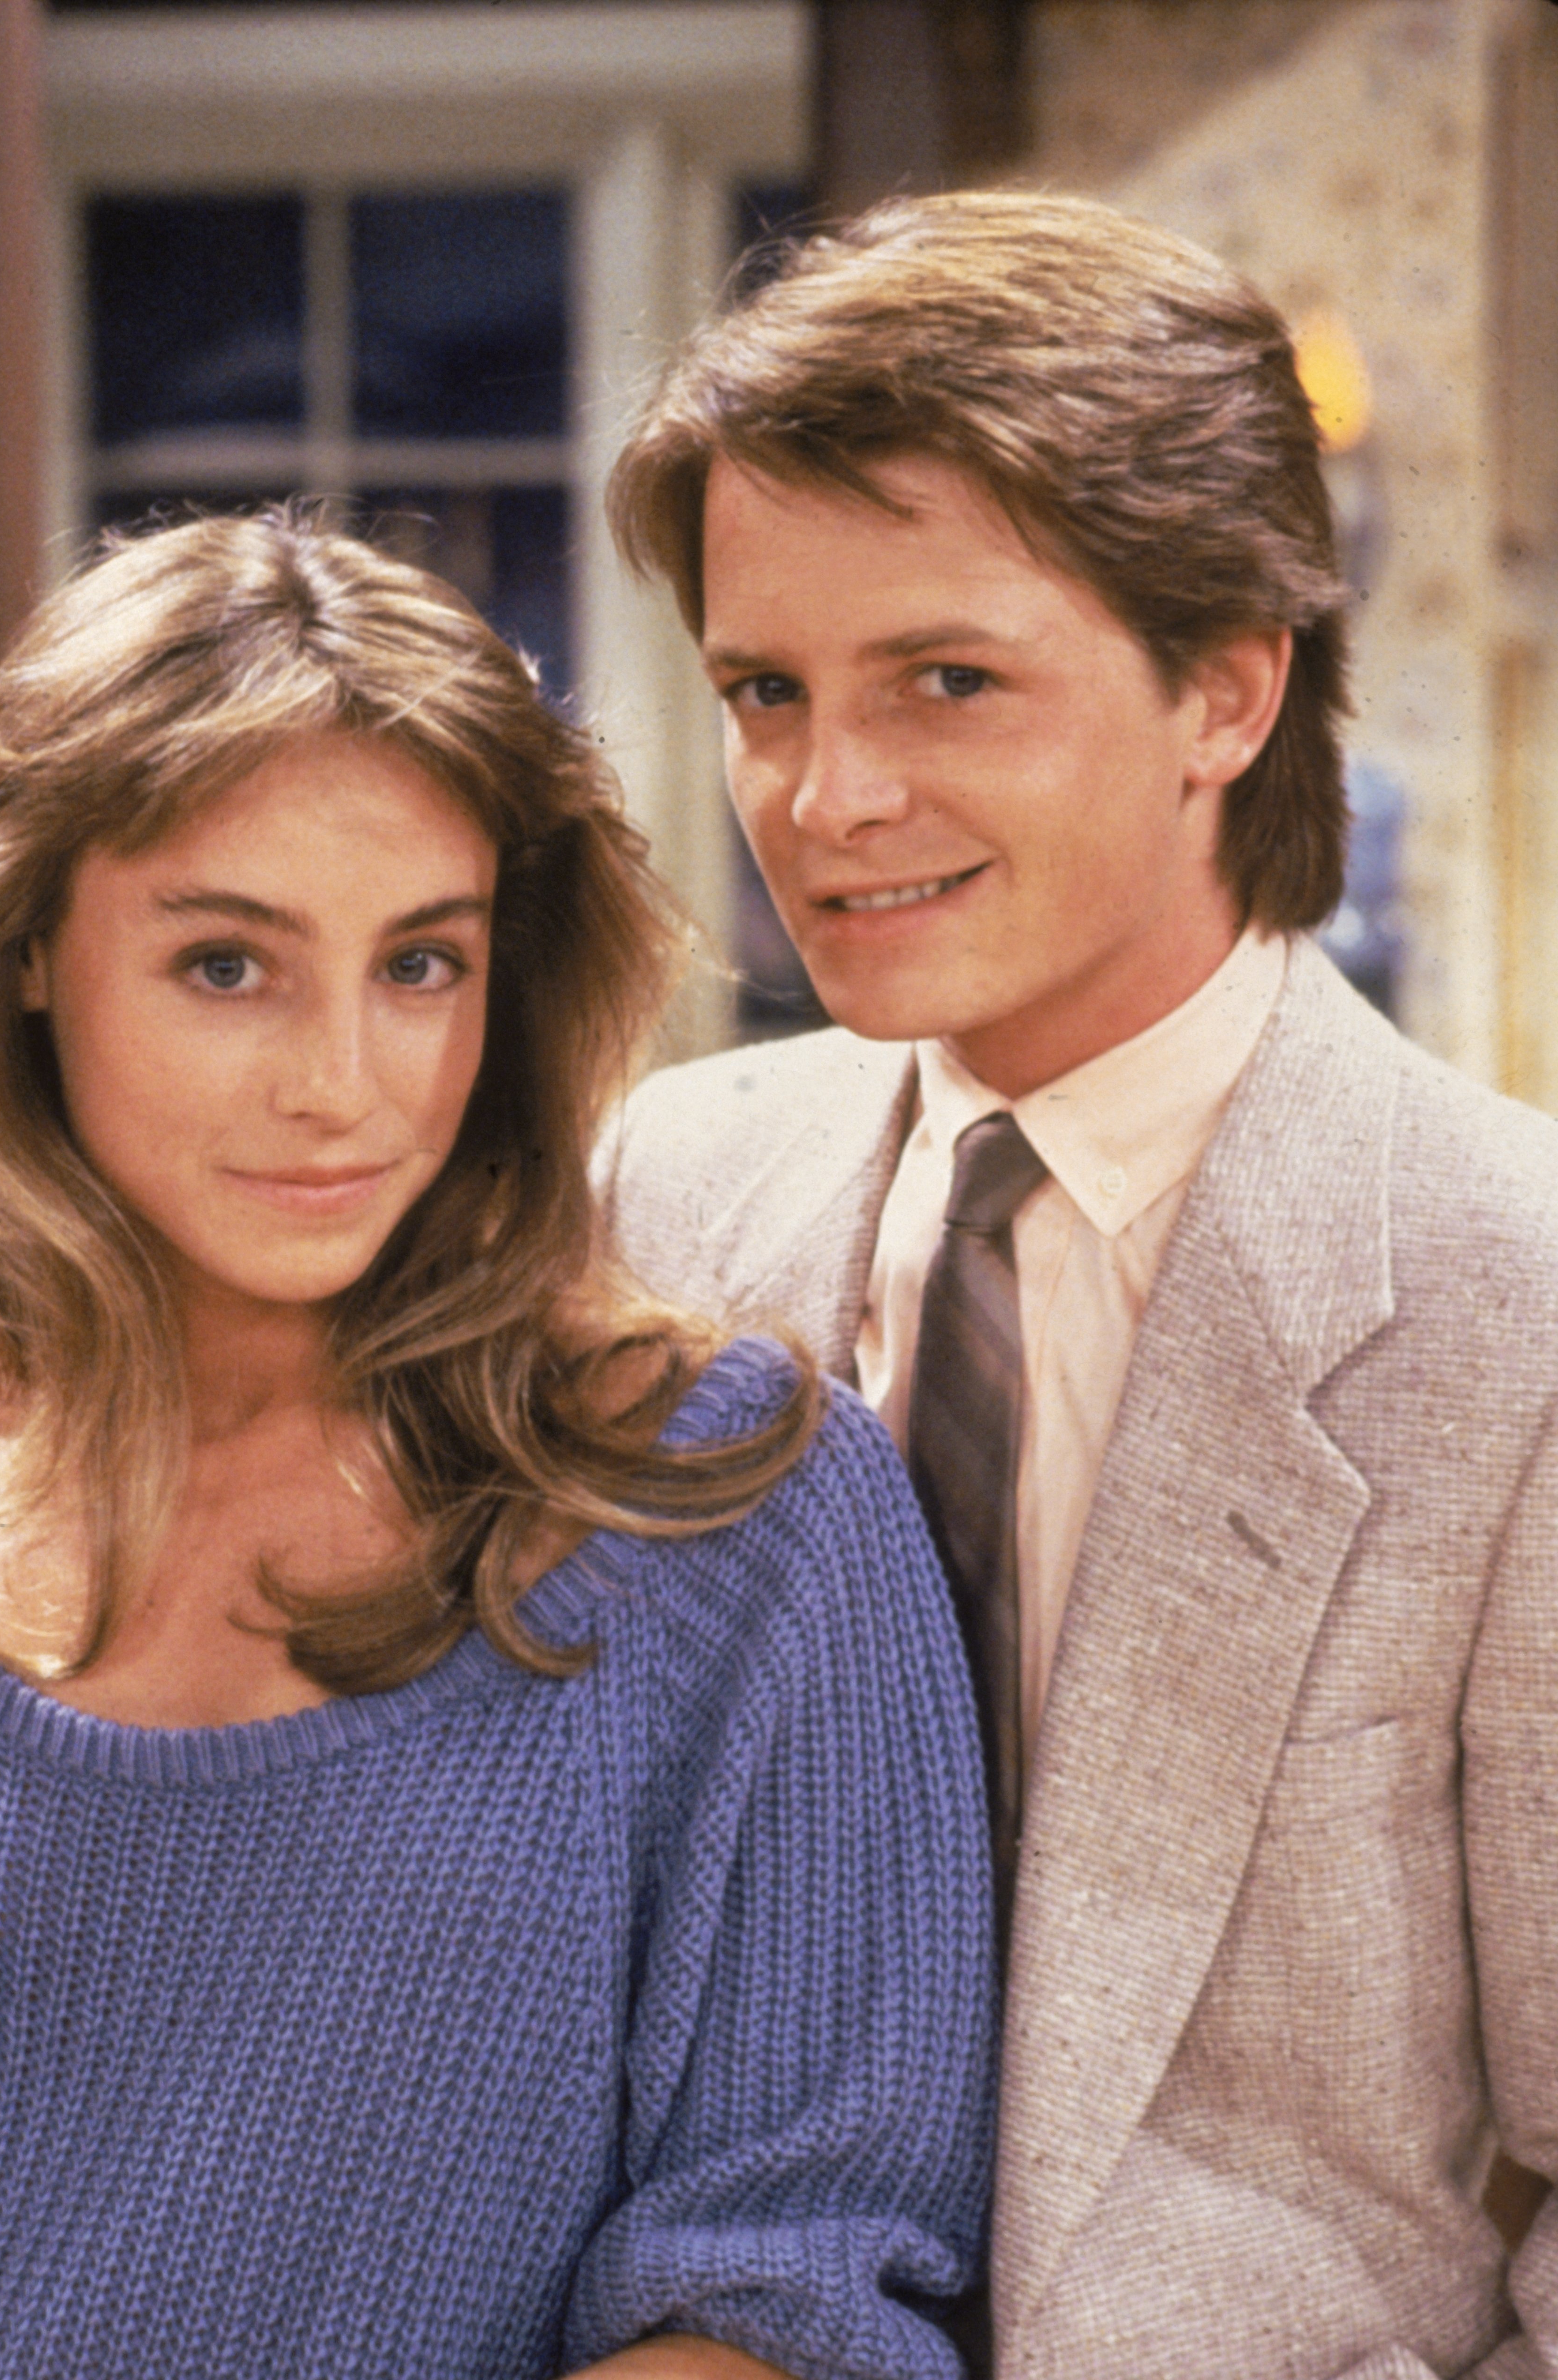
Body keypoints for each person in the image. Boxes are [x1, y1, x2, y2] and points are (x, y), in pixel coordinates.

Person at [598, 189, 1558, 2377]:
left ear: (1227, 687)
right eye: (767, 691)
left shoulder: (1523, 1307)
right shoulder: (670, 1189)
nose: (827, 797)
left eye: (948, 680)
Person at [0, 509, 995, 2380]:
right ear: (28, 951)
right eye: (224, 967)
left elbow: (793, 2291)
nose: (344, 1084)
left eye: (420, 965)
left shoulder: (727, 1513)